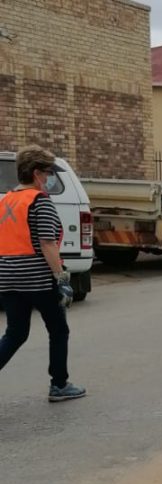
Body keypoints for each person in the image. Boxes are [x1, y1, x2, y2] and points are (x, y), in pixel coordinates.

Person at [0, 145, 84, 402]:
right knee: (58, 329)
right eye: (47, 173)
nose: (48, 178)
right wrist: (62, 280)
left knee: (15, 333)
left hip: (7, 276)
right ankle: (59, 384)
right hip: (37, 276)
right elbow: (48, 243)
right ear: (36, 173)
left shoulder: (6, 201)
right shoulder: (39, 201)